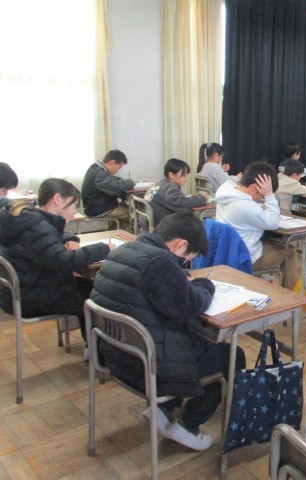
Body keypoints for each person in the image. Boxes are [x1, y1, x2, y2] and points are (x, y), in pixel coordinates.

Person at [91, 212, 244, 451]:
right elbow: (189, 306)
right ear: (181, 245)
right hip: (145, 366)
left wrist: (179, 277)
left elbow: (148, 283)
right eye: (187, 259)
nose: (184, 264)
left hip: (115, 354)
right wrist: (204, 284)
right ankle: (189, 425)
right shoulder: (160, 264)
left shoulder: (125, 250)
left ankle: (163, 409)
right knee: (231, 355)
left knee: (191, 342)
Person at [0, 178, 114, 341]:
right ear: (58, 199)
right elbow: (63, 261)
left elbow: (50, 236)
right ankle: (97, 348)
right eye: (74, 205)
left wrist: (70, 239)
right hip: (30, 297)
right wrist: (104, 249)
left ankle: (93, 346)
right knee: (98, 294)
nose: (75, 211)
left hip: (20, 289)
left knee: (88, 286)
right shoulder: (37, 226)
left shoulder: (28, 218)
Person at [215, 161, 297, 289]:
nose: (261, 198)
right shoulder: (245, 206)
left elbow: (252, 210)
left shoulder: (226, 192)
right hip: (244, 257)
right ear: (254, 187)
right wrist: (269, 195)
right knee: (289, 250)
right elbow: (274, 223)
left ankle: (264, 285)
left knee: (270, 240)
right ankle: (290, 296)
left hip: (227, 252)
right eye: (262, 195)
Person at [145, 158, 210, 226]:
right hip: (162, 225)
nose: (186, 178)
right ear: (171, 175)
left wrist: (195, 197)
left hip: (151, 223)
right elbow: (182, 204)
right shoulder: (170, 187)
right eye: (183, 175)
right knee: (197, 223)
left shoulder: (161, 184)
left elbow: (178, 200)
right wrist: (203, 198)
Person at [81, 149, 135, 227]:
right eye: (118, 168)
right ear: (112, 162)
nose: (117, 171)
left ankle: (114, 232)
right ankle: (120, 234)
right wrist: (131, 182)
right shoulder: (100, 174)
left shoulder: (95, 168)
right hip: (98, 209)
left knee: (127, 208)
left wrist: (120, 181)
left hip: (96, 206)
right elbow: (117, 186)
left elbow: (111, 181)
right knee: (130, 213)